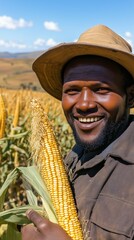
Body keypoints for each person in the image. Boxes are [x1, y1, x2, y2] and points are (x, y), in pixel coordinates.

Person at [21, 24, 134, 240]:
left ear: (130, 96)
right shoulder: (74, 156)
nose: (83, 105)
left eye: (101, 89)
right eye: (72, 91)